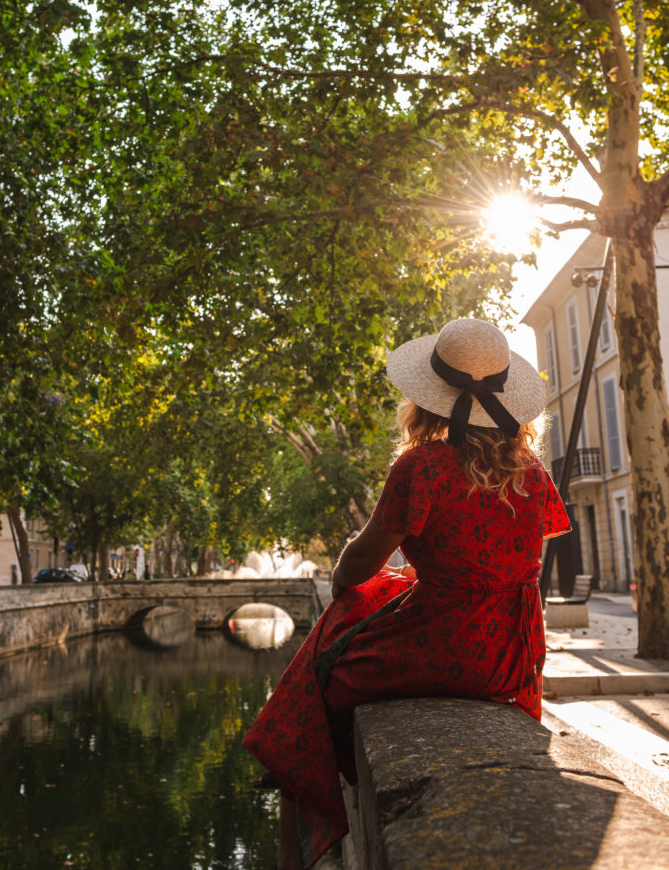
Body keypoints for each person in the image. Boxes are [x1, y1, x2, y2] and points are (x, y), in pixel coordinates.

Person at [243, 318, 571, 870]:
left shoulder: (422, 466)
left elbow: (361, 562)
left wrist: (348, 584)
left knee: (318, 673)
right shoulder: (533, 474)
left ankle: (290, 841)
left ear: (428, 401)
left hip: (442, 647)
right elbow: (490, 562)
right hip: (512, 658)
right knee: (375, 604)